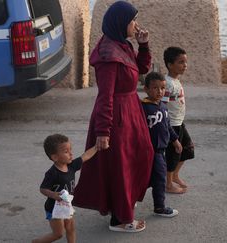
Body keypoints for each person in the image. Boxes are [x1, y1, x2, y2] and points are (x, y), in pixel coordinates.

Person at [72, 1, 154, 233]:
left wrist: (144, 45)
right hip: (117, 117)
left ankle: (122, 207)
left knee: (139, 157)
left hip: (130, 112)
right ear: (120, 23)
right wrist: (103, 131)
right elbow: (105, 96)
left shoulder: (122, 45)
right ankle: (121, 219)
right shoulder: (108, 56)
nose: (136, 24)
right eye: (132, 20)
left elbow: (142, 69)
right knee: (122, 167)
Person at [32, 134, 97, 243]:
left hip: (66, 205)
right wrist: (53, 195)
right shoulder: (52, 173)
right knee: (58, 234)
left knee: (70, 228)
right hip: (54, 208)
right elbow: (43, 188)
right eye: (66, 152)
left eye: (70, 149)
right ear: (55, 157)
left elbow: (85, 156)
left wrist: (97, 147)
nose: (71, 154)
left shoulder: (71, 165)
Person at [141, 72, 183, 217]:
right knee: (144, 179)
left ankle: (158, 206)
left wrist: (175, 140)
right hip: (146, 152)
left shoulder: (163, 106)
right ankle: (157, 207)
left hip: (160, 152)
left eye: (162, 88)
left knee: (158, 179)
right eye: (155, 88)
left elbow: (167, 126)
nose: (159, 91)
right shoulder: (142, 108)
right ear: (146, 89)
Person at [162, 46, 195, 194]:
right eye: (181, 62)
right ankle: (168, 183)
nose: (185, 66)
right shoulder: (168, 83)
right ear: (170, 64)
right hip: (172, 125)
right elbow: (162, 105)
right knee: (173, 154)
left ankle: (175, 175)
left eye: (185, 62)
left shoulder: (175, 81)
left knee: (187, 148)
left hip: (179, 122)